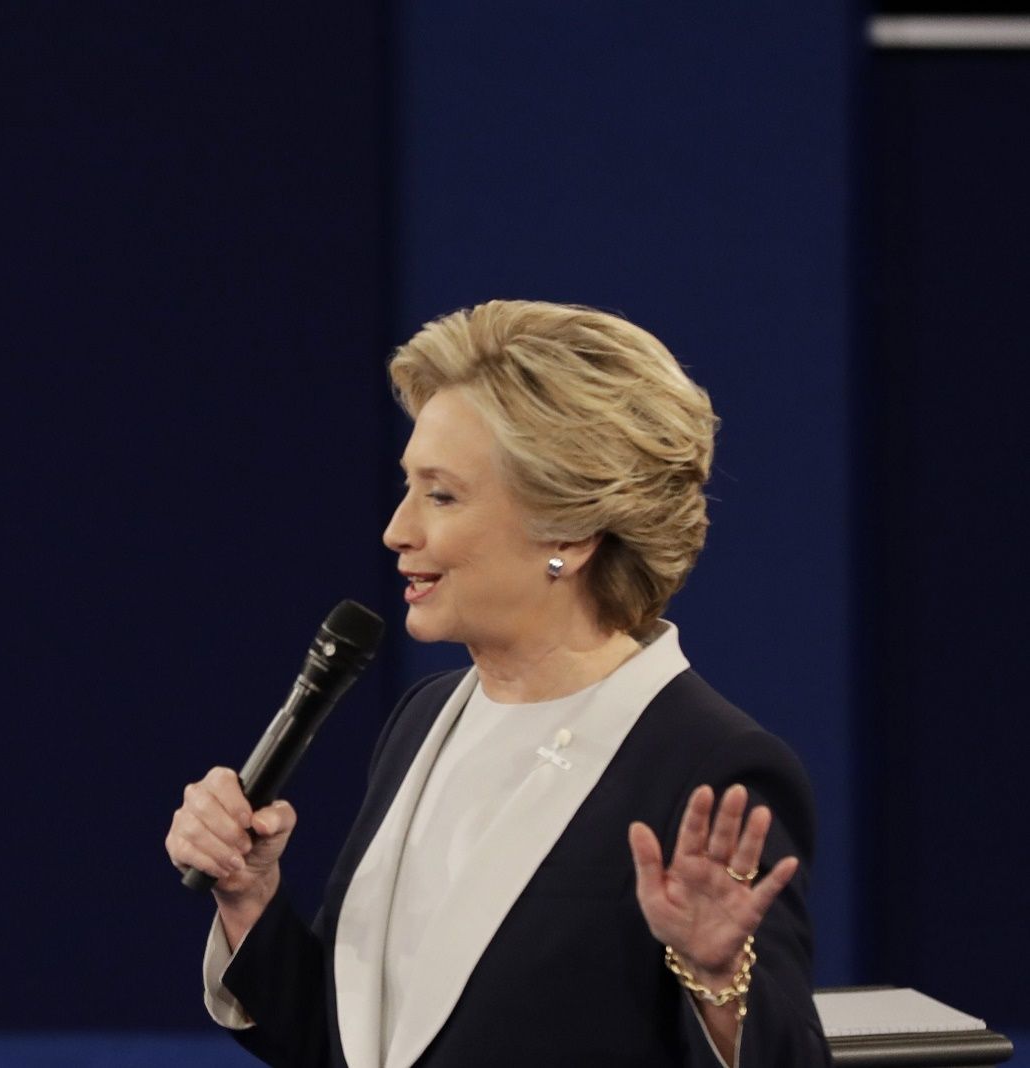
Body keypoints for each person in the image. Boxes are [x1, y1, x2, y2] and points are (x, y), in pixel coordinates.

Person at [165, 301, 829, 1067]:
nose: (397, 529)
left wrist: (718, 983)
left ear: (570, 532)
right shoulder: (424, 719)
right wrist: (249, 899)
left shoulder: (710, 766)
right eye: (408, 486)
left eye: (440, 495)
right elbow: (354, 1045)